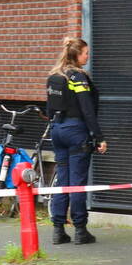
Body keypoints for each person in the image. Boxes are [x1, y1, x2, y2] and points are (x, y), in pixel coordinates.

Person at [45, 37, 107, 245]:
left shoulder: (55, 76)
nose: (87, 56)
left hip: (58, 130)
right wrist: (99, 137)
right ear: (77, 55)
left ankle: (58, 230)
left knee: (63, 182)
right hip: (75, 131)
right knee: (77, 183)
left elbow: (49, 109)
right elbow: (87, 110)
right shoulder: (77, 77)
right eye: (85, 53)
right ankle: (80, 230)